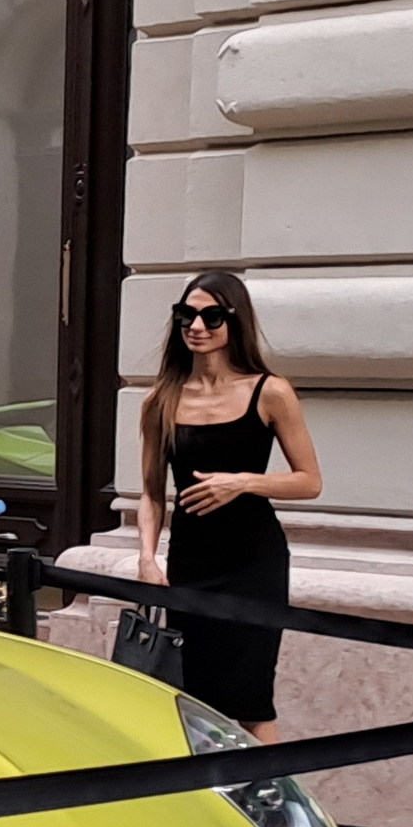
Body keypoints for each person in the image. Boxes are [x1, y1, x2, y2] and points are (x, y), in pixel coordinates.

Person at [137, 271, 321, 741]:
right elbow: (152, 493)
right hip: (191, 564)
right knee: (192, 696)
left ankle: (274, 809)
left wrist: (243, 482)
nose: (197, 326)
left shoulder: (270, 391)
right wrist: (146, 558)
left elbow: (309, 482)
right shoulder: (162, 399)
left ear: (234, 321)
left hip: (252, 563)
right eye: (187, 315)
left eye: (211, 316)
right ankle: (206, 802)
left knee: (252, 698)